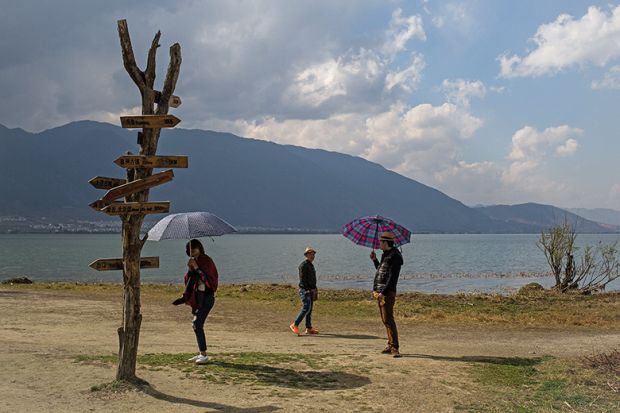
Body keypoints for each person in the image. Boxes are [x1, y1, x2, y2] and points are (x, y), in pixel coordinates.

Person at [172, 239, 218, 365]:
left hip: (207, 297)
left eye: (194, 248)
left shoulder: (207, 260)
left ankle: (203, 355)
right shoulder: (194, 261)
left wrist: (196, 267)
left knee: (197, 323)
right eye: (189, 249)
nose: (192, 251)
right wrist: (191, 268)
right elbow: (189, 279)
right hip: (198, 297)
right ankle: (201, 353)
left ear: (200, 248)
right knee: (196, 325)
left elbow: (208, 279)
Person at [370, 231, 403, 357]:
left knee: (389, 318)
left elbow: (392, 277)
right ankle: (390, 344)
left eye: (380, 242)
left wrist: (383, 292)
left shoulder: (396, 257)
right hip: (379, 292)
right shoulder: (385, 255)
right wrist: (375, 260)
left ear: (386, 242)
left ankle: (395, 347)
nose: (379, 244)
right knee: (385, 319)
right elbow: (381, 271)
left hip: (387, 293)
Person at [290, 247, 319, 335]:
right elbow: (303, 280)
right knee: (306, 308)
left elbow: (312, 279)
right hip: (305, 290)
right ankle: (295, 324)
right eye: (310, 254)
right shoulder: (303, 265)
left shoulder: (310, 265)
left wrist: (315, 288)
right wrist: (307, 290)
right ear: (306, 255)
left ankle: (309, 328)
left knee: (309, 310)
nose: (312, 256)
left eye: (313, 254)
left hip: (311, 290)